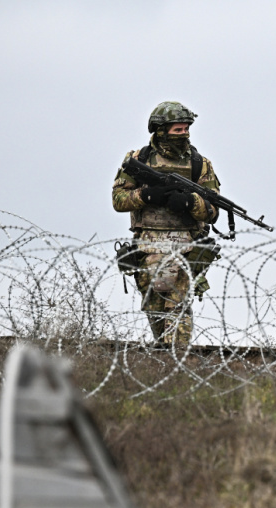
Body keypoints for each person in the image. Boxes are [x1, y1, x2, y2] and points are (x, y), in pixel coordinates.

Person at [112, 101, 220, 348]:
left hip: (186, 247)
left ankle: (176, 358)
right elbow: (118, 200)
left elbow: (213, 212)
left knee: (178, 308)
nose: (184, 135)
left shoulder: (199, 164)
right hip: (147, 247)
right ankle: (165, 362)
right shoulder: (139, 159)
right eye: (177, 131)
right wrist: (148, 196)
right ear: (160, 131)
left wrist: (189, 202)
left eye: (186, 130)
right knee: (155, 311)